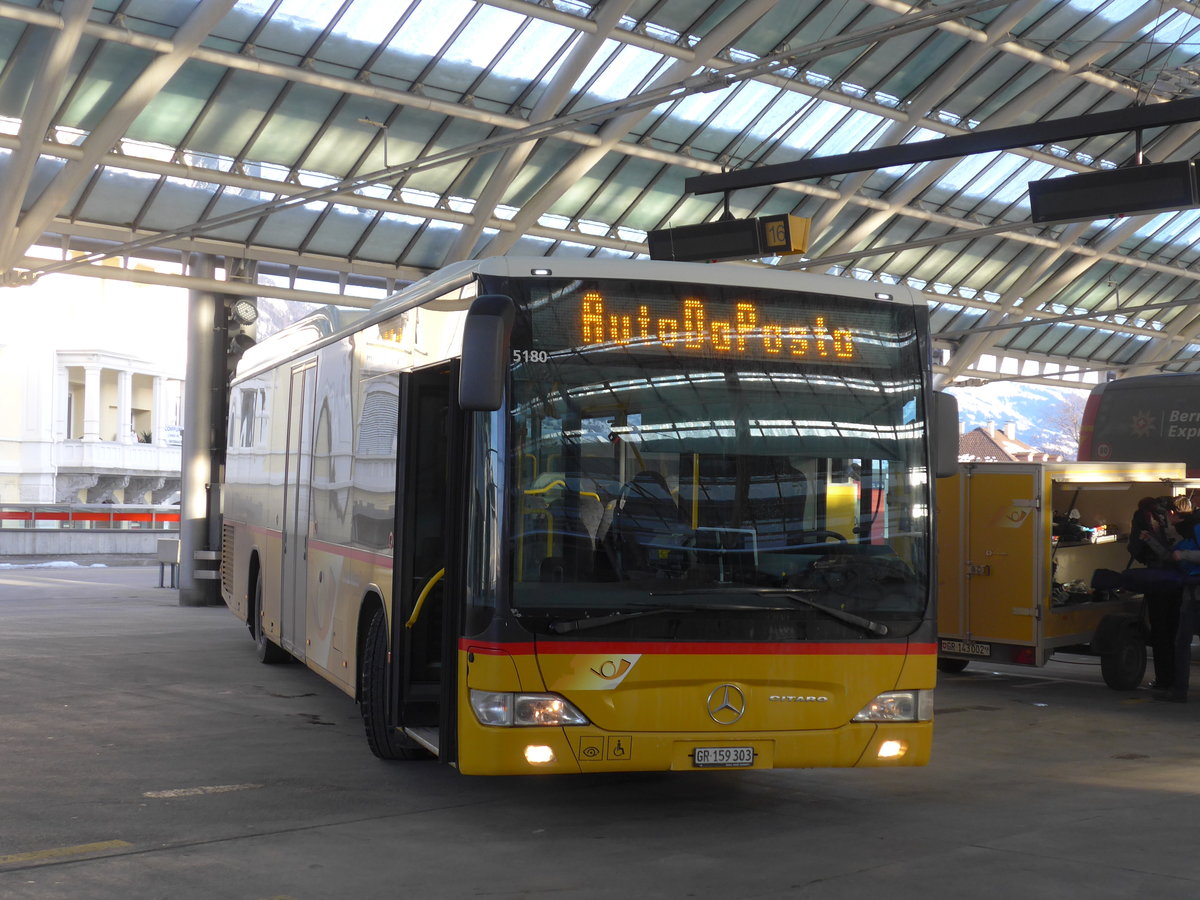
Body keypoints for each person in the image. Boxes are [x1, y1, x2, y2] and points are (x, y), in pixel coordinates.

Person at [1128, 496, 1181, 690]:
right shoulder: (1176, 516)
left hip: (1158, 579)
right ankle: (1177, 678)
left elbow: (1135, 547)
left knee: (1160, 630)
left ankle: (1164, 679)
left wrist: (1146, 548)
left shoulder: (1143, 517)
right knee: (1175, 631)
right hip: (1179, 579)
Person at [1160, 498, 1200, 702]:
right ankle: (1179, 690)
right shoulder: (1188, 530)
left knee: (1182, 643)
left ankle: (1180, 690)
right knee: (1182, 642)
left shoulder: (1195, 528)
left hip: (1195, 593)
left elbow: (1179, 555)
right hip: (1190, 592)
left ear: (1173, 514)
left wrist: (1183, 554)